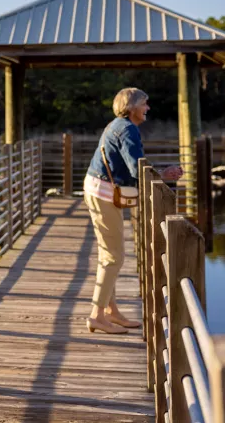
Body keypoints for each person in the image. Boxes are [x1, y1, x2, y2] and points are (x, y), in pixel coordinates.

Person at [83, 87, 183, 334]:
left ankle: (110, 311)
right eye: (144, 104)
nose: (148, 108)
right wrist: (163, 175)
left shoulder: (118, 125)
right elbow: (136, 169)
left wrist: (158, 173)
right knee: (113, 256)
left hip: (99, 191)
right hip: (102, 194)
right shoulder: (128, 129)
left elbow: (134, 167)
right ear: (132, 106)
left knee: (109, 254)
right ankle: (96, 315)